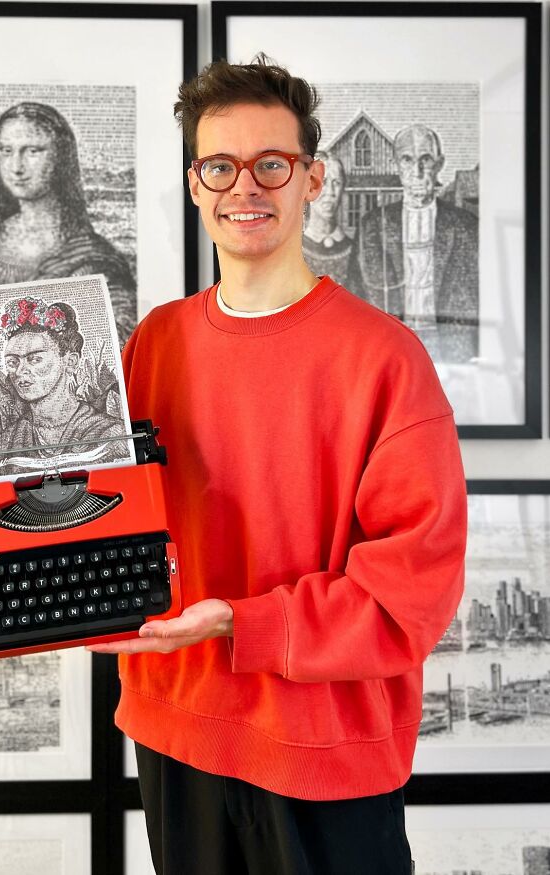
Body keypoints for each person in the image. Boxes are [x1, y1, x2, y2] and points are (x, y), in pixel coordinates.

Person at [87, 57, 466, 875]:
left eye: (271, 164)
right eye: (219, 166)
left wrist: (240, 621)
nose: (244, 188)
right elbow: (96, 499)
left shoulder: (386, 359)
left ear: (312, 179)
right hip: (175, 732)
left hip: (326, 750)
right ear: (196, 184)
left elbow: (411, 597)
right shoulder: (153, 343)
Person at [0, 102, 136, 364]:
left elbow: (118, 338)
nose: (17, 166)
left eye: (32, 151)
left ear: (60, 157)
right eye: (6, 151)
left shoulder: (93, 257)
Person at [346, 123, 478, 363]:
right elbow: (354, 298)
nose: (417, 171)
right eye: (407, 160)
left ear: (439, 164)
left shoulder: (466, 227)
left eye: (425, 159)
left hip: (450, 353)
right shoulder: (372, 226)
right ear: (396, 164)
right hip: (388, 348)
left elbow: (480, 298)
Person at [0, 295, 128, 476]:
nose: (20, 371)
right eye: (12, 362)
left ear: (70, 362)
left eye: (35, 359)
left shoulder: (112, 434)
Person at [302, 150, 352, 284]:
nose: (330, 192)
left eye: (336, 183)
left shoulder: (354, 249)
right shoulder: (292, 250)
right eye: (323, 182)